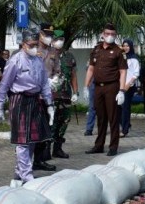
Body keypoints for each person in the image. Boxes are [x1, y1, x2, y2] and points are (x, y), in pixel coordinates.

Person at [0, 29, 54, 186]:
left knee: (32, 139)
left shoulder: (38, 61)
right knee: (22, 141)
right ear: (23, 44)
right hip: (19, 100)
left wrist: (50, 104)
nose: (34, 47)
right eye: (30, 45)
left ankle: (20, 173)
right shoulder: (15, 61)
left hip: (35, 100)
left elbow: (44, 83)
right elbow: (4, 85)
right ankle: (27, 175)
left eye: (35, 45)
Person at [83, 23, 127, 156]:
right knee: (101, 117)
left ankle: (113, 146)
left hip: (112, 87)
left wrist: (122, 90)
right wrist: (86, 86)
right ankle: (99, 145)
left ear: (116, 35)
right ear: (103, 34)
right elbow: (91, 69)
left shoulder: (119, 52)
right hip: (97, 87)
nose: (110, 36)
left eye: (113, 34)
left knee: (113, 117)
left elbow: (123, 72)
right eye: (107, 34)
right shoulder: (96, 50)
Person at [50, 30, 78, 158]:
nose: (59, 41)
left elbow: (73, 75)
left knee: (64, 122)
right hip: (51, 96)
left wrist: (76, 92)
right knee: (51, 123)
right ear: (52, 40)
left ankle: (57, 148)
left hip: (66, 95)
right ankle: (45, 150)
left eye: (61, 38)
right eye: (56, 39)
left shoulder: (69, 56)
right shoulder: (47, 55)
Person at [34, 23, 57, 170]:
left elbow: (57, 70)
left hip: (48, 96)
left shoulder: (53, 52)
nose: (49, 38)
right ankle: (26, 161)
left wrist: (55, 79)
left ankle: (39, 159)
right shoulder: (32, 50)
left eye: (50, 35)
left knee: (46, 130)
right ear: (40, 34)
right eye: (46, 34)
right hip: (35, 96)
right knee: (34, 129)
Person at [120, 39, 140, 137]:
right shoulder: (122, 57)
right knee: (117, 107)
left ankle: (124, 130)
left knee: (125, 108)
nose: (125, 47)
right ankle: (126, 124)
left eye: (127, 45)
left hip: (128, 86)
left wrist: (128, 85)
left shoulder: (134, 58)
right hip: (120, 86)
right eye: (124, 45)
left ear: (131, 46)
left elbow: (136, 73)